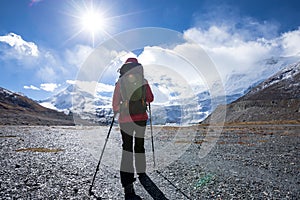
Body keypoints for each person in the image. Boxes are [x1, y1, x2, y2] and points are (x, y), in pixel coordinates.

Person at [112, 57, 154, 199]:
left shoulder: (120, 82)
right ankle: (141, 171)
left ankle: (128, 186)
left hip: (125, 121)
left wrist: (121, 109)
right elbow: (151, 98)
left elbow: (115, 104)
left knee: (127, 150)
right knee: (140, 145)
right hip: (141, 119)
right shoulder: (143, 81)